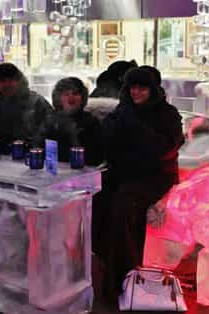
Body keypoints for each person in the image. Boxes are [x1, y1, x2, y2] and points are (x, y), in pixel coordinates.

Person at [99, 67, 184, 301]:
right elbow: (106, 140)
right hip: (124, 173)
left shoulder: (167, 114)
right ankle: (102, 270)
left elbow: (165, 149)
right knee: (95, 200)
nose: (136, 92)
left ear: (153, 90)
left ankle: (125, 279)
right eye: (132, 87)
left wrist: (135, 124)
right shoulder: (123, 109)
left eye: (142, 88)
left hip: (155, 176)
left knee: (124, 207)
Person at [0, 63, 53, 153]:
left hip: (33, 157)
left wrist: (33, 143)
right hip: (2, 159)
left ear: (19, 81)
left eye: (11, 80)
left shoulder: (37, 102)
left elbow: (51, 128)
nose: (7, 84)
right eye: (3, 81)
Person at [35, 77, 102, 166]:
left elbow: (94, 158)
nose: (71, 98)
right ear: (58, 98)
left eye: (75, 93)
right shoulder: (50, 121)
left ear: (83, 97)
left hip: (81, 173)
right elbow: (40, 151)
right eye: (66, 94)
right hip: (53, 171)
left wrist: (73, 135)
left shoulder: (91, 122)